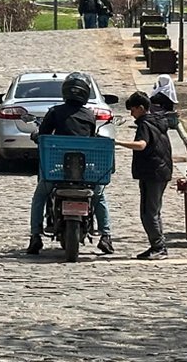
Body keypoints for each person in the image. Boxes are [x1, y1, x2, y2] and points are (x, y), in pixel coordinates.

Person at [27, 73, 114, 256]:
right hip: (84, 172)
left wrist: (36, 136)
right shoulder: (89, 115)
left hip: (57, 170)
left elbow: (43, 134)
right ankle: (106, 236)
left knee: (40, 196)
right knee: (99, 197)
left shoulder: (55, 112)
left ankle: (35, 236)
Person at [115, 91, 173, 260]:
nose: (131, 114)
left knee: (148, 213)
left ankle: (159, 247)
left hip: (152, 172)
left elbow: (141, 145)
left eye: (132, 110)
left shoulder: (145, 124)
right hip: (162, 170)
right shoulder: (158, 121)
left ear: (141, 108)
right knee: (154, 211)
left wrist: (117, 142)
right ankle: (158, 245)